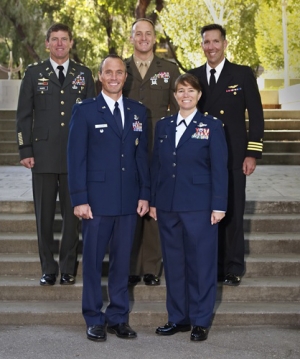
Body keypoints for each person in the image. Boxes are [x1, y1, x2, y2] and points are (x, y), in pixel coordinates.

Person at [67, 55, 150, 342]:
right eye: (108, 72)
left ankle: (117, 317)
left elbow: (142, 157)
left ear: (125, 77)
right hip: (96, 202)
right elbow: (75, 158)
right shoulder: (86, 111)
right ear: (100, 76)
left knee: (121, 263)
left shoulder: (139, 111)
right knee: (91, 261)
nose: (114, 77)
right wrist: (79, 198)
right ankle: (93, 317)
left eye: (119, 72)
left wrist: (145, 194)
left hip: (128, 202)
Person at [149, 73, 228, 341]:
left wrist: (219, 205)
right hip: (169, 206)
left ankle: (200, 320)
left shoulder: (212, 125)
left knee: (201, 264)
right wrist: (153, 201)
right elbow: (156, 167)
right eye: (181, 90)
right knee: (173, 264)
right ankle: (178, 317)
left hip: (200, 206)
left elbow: (220, 169)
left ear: (199, 95)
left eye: (191, 91)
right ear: (174, 95)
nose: (185, 95)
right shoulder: (163, 126)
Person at [16, 23, 95, 286]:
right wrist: (25, 149)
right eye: (54, 39)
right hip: (43, 155)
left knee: (74, 218)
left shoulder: (84, 74)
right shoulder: (33, 73)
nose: (59, 44)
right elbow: (24, 115)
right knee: (45, 217)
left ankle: (68, 267)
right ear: (47, 44)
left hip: (76, 157)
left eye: (64, 39)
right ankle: (48, 268)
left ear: (71, 43)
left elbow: (93, 117)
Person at [189, 24, 264, 286]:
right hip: (202, 157)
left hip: (233, 156)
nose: (211, 46)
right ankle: (214, 265)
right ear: (202, 46)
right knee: (207, 213)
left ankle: (233, 266)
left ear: (225, 43)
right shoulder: (194, 76)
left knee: (232, 212)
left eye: (215, 41)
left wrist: (252, 153)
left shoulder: (242, 74)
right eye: (206, 42)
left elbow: (256, 115)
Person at [123, 18, 181, 286]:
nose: (143, 37)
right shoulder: (120, 69)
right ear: (132, 37)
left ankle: (150, 267)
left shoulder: (168, 69)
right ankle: (132, 266)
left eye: (148, 33)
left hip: (158, 147)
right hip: (126, 147)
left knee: (155, 206)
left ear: (154, 38)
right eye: (138, 33)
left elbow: (179, 109)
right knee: (130, 204)